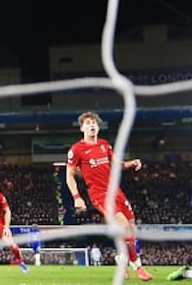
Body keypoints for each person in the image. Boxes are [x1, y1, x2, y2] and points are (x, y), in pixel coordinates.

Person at [66, 111, 152, 281]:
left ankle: (122, 259)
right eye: (88, 123)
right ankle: (139, 267)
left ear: (98, 127)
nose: (92, 125)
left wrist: (130, 163)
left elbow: (116, 164)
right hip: (99, 194)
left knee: (133, 230)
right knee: (124, 226)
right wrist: (77, 196)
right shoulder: (77, 149)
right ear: (82, 128)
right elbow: (69, 175)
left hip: (116, 191)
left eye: (94, 123)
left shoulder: (105, 145)